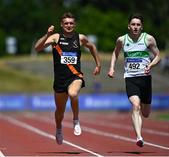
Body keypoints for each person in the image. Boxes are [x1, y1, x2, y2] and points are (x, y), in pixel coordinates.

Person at [34, 12, 101, 145]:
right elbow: (37, 48)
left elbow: (92, 47)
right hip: (60, 80)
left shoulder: (80, 38)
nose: (69, 25)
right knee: (60, 111)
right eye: (66, 23)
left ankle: (76, 120)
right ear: (61, 24)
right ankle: (59, 129)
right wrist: (47, 35)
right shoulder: (55, 37)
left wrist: (98, 64)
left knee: (73, 93)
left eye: (71, 23)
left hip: (75, 76)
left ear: (74, 24)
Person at [108, 13, 161, 147]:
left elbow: (158, 56)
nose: (135, 27)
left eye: (138, 25)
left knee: (146, 113)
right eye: (133, 24)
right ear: (128, 26)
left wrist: (151, 65)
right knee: (135, 105)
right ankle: (139, 137)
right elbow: (115, 53)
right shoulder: (122, 40)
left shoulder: (148, 39)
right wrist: (112, 68)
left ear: (141, 27)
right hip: (131, 78)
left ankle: (141, 124)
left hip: (145, 79)